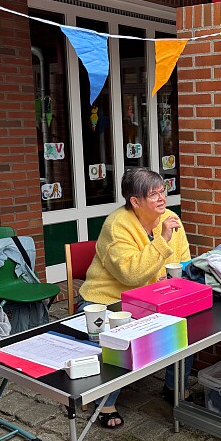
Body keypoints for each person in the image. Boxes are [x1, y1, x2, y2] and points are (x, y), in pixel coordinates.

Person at [79, 168, 190, 427]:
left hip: (152, 297)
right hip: (108, 300)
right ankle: (104, 401)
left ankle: (175, 386)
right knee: (118, 333)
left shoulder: (171, 218)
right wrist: (162, 239)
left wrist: (172, 280)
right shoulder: (117, 225)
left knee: (187, 321)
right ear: (135, 202)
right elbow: (130, 274)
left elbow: (184, 260)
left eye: (162, 191)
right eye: (153, 194)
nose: (162, 198)